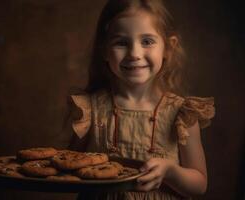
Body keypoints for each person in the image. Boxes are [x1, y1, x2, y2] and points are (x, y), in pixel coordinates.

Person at [62, 0, 215, 199]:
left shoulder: (182, 114)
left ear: (168, 48)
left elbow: (199, 184)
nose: (134, 54)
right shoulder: (88, 110)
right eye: (121, 43)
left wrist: (170, 171)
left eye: (147, 41)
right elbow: (70, 167)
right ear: (104, 50)